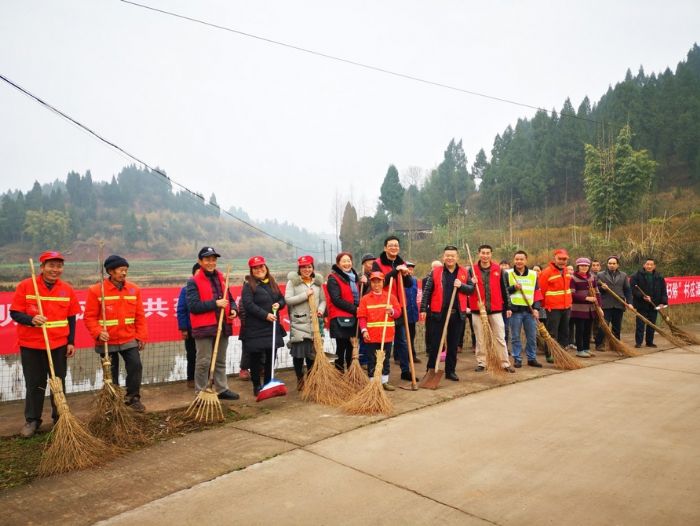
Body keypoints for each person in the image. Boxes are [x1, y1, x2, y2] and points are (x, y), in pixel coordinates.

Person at [11, 251, 81, 438]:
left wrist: (71, 341)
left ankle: (60, 417)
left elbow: (71, 317)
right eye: (51, 265)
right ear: (42, 267)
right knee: (35, 383)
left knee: (58, 382)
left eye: (59, 266)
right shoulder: (26, 286)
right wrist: (31, 319)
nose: (55, 269)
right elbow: (15, 313)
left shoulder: (67, 289)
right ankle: (33, 420)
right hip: (32, 345)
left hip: (58, 344)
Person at [84, 254, 148, 411]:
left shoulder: (134, 289)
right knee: (110, 372)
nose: (124, 273)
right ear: (110, 271)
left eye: (126, 270)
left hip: (129, 338)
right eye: (121, 270)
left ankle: (133, 398)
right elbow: (89, 317)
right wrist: (98, 332)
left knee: (135, 366)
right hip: (107, 340)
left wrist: (141, 336)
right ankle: (113, 400)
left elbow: (140, 315)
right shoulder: (96, 291)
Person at [185, 247, 239, 401]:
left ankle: (222, 389)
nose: (211, 262)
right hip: (204, 328)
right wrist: (216, 303)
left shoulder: (222, 278)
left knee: (221, 360)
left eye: (213, 259)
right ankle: (200, 392)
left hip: (223, 325)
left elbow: (230, 300)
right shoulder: (193, 282)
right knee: (203, 362)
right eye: (207, 259)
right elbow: (194, 306)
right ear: (200, 261)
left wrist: (233, 310)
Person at [420, 246, 474, 381]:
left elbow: (471, 290)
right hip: (438, 313)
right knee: (435, 344)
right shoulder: (436, 272)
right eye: (447, 255)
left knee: (453, 344)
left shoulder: (464, 272)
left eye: (453, 256)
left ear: (457, 257)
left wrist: (461, 285)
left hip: (457, 314)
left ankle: (450, 371)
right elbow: (427, 292)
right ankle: (430, 370)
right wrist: (423, 309)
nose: (450, 258)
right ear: (443, 257)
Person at [241, 255, 286, 396]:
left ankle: (268, 383)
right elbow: (248, 305)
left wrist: (279, 304)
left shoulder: (272, 282)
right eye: (255, 268)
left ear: (266, 267)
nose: (259, 269)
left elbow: (282, 299)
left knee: (271, 356)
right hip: (256, 328)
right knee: (255, 358)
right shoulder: (248, 285)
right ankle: (256, 385)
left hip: (272, 326)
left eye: (261, 266)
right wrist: (265, 315)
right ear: (251, 270)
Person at [372, 235, 414, 381]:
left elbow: (408, 284)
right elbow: (380, 282)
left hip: (398, 306)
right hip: (383, 306)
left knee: (402, 340)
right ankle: (380, 373)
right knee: (384, 341)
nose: (394, 247)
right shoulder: (377, 264)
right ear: (385, 248)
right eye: (391, 245)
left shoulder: (402, 262)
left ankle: (406, 370)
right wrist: (396, 270)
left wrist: (405, 274)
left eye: (396, 245)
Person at [467, 244, 514, 373]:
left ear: (491, 254)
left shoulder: (499, 270)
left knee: (500, 336)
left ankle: (504, 362)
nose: (485, 255)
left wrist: (508, 307)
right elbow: (468, 289)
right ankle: (482, 362)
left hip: (496, 309)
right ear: (479, 254)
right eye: (483, 253)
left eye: (488, 253)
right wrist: (472, 282)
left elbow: (505, 289)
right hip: (478, 310)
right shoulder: (471, 270)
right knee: (480, 338)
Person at [285, 255, 325, 390]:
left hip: (314, 323)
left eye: (309, 267)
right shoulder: (293, 282)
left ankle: (312, 379)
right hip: (299, 323)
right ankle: (300, 379)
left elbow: (323, 300)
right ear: (299, 268)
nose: (306, 269)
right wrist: (305, 295)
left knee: (312, 355)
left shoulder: (317, 282)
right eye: (303, 267)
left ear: (313, 268)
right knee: (298, 354)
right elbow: (288, 300)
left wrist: (320, 309)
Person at [357, 271, 401, 390]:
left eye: (379, 281)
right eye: (374, 282)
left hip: (386, 335)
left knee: (385, 359)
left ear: (383, 282)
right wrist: (364, 331)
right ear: (371, 283)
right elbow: (361, 317)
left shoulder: (390, 297)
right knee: (372, 359)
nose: (376, 284)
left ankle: (384, 381)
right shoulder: (365, 299)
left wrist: (391, 311)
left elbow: (398, 313)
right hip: (371, 336)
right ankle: (373, 382)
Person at [505, 250, 543, 368]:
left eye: (521, 259)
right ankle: (517, 358)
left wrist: (536, 308)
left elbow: (537, 293)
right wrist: (513, 288)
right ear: (513, 260)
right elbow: (504, 291)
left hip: (529, 310)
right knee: (515, 337)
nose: (519, 261)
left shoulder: (533, 274)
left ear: (526, 260)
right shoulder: (508, 273)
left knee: (531, 336)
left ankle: (531, 358)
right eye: (517, 259)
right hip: (515, 310)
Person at [326, 252, 359, 373]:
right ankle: (339, 374)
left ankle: (351, 373)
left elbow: (358, 296)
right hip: (340, 318)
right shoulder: (333, 278)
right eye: (344, 261)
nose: (347, 263)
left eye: (349, 260)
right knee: (341, 347)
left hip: (354, 317)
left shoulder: (355, 278)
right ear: (338, 264)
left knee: (351, 347)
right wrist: (355, 309)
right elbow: (336, 299)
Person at [539, 249, 573, 363]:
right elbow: (541, 291)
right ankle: (550, 354)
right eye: (560, 259)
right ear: (555, 259)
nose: (562, 261)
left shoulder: (567, 271)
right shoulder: (546, 272)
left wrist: (569, 303)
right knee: (552, 332)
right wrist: (543, 306)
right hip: (552, 308)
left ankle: (562, 353)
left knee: (564, 332)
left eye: (565, 259)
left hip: (566, 307)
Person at [595, 256, 633, 351]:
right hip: (605, 304)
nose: (612, 265)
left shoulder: (623, 275)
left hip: (618, 304)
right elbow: (595, 289)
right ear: (607, 264)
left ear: (618, 265)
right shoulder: (600, 275)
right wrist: (601, 288)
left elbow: (627, 290)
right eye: (610, 263)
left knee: (617, 326)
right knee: (603, 325)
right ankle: (600, 344)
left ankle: (615, 345)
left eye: (614, 263)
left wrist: (630, 303)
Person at [630, 258, 668, 348]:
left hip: (654, 304)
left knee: (652, 324)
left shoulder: (659, 277)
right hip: (641, 304)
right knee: (640, 324)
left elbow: (663, 290)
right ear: (644, 265)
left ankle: (649, 342)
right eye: (647, 264)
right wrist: (642, 296)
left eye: (651, 265)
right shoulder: (636, 275)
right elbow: (632, 289)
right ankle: (638, 342)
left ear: (654, 266)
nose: (649, 266)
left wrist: (663, 302)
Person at [569, 258, 600, 358]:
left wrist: (599, 306)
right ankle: (580, 350)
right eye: (582, 265)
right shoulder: (573, 278)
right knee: (580, 330)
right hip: (579, 309)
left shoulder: (591, 277)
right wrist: (586, 298)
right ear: (578, 266)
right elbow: (572, 294)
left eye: (586, 266)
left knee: (587, 330)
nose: (584, 267)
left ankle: (586, 349)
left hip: (591, 309)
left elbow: (597, 292)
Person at [177, 263, 200, 389]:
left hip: (206, 328)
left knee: (206, 355)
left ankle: (206, 379)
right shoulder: (185, 290)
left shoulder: (209, 288)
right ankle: (191, 379)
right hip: (191, 329)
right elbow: (181, 310)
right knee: (192, 355)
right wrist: (184, 328)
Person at [404, 261, 421, 364]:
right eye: (408, 268)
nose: (410, 271)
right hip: (403, 313)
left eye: (411, 269)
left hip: (412, 312)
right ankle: (400, 357)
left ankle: (412, 355)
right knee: (403, 337)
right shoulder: (400, 280)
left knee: (411, 335)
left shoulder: (414, 281)